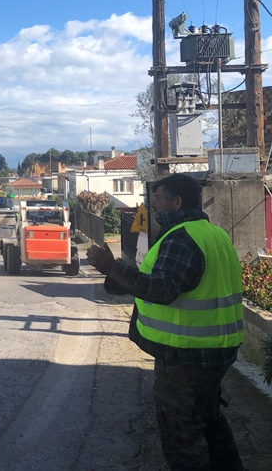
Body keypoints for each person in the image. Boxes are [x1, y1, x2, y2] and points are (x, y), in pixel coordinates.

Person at [87, 173, 244, 471]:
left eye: (158, 197)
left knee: (181, 432)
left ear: (177, 201)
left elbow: (162, 290)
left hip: (186, 356)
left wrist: (112, 267)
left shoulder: (181, 238)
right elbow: (161, 282)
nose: (154, 204)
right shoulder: (213, 234)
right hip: (215, 351)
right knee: (209, 421)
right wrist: (117, 274)